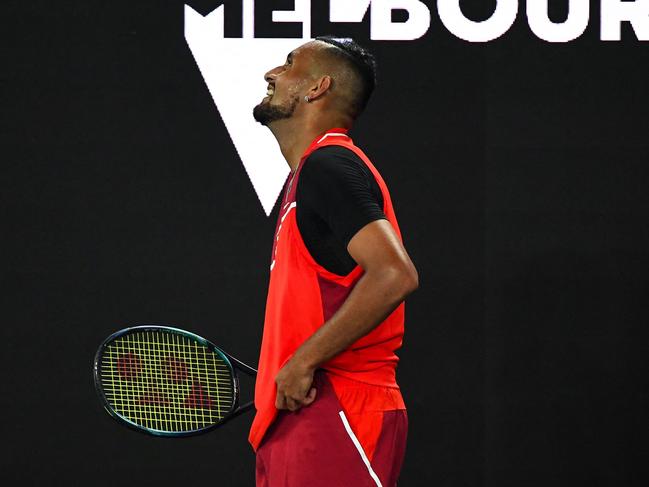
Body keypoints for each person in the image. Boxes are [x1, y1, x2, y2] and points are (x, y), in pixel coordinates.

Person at [250, 36, 418, 487]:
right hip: (300, 414)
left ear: (317, 87)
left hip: (339, 409)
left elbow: (394, 274)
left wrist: (303, 361)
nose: (271, 74)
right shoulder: (309, 175)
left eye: (287, 65)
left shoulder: (331, 165)